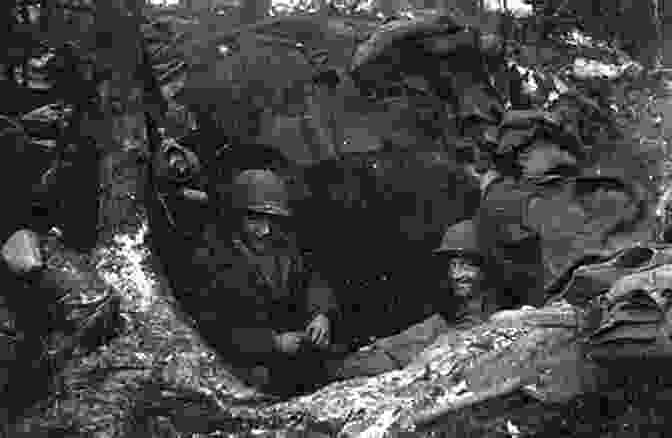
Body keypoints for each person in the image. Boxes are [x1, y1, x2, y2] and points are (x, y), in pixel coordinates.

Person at [186, 168, 339, 396]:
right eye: (254, 218)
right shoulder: (211, 259)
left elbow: (313, 278)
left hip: (297, 357)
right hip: (246, 367)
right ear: (236, 215)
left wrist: (321, 313)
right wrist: (271, 343)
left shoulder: (286, 244)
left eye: (271, 219)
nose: (264, 229)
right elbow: (213, 325)